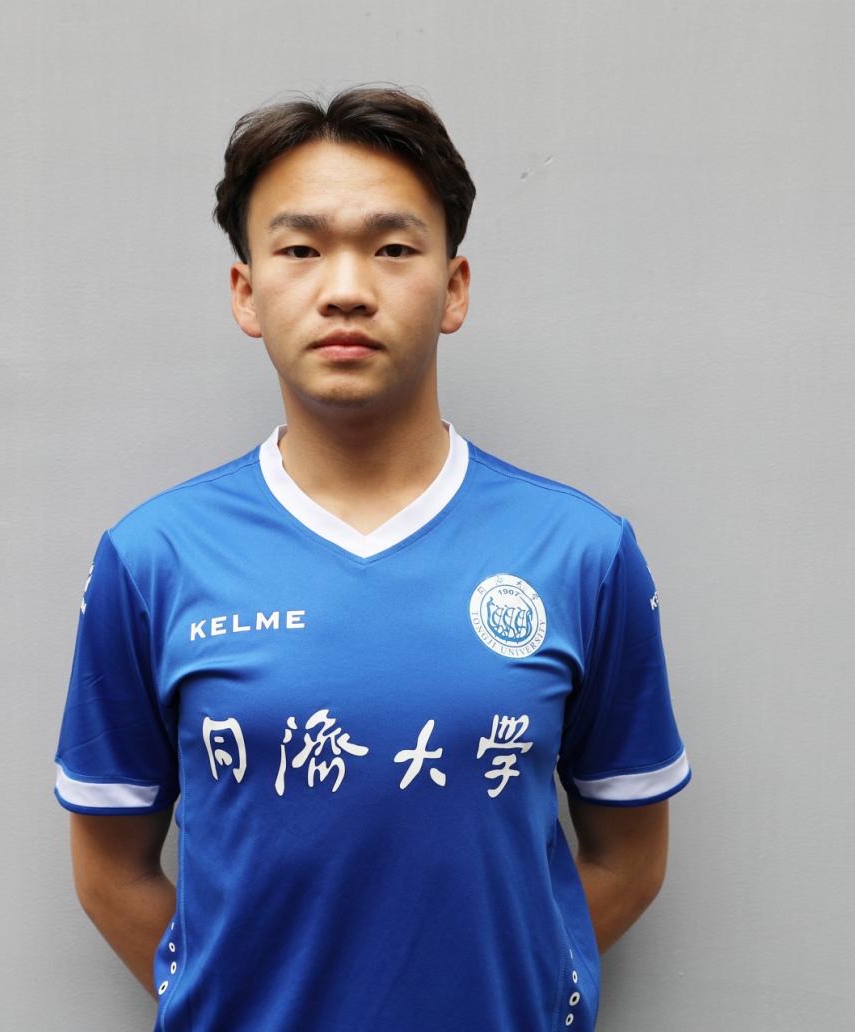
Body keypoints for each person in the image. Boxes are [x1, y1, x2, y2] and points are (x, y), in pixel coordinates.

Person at [53, 83, 691, 1032]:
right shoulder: (153, 560)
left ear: (454, 288)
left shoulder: (580, 553)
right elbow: (109, 869)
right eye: (300, 249)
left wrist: (510, 987)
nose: (346, 288)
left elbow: (629, 856)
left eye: (393, 248)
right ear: (246, 293)